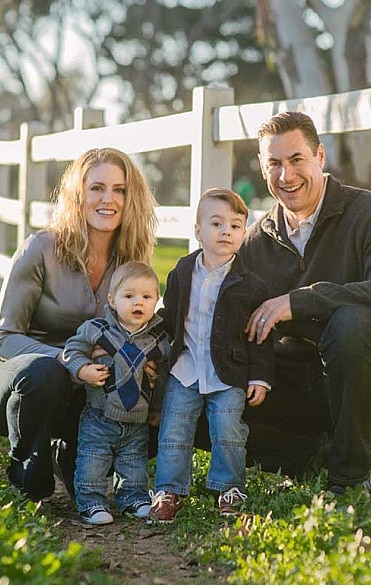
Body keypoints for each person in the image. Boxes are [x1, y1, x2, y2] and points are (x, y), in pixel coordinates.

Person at [239, 111, 371, 497]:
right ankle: (307, 455)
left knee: (351, 323)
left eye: (296, 160)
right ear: (262, 168)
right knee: (207, 396)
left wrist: (302, 301)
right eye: (274, 164)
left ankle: (350, 478)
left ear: (320, 157)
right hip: (291, 390)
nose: (286, 176)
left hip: (366, 377)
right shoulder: (254, 241)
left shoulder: (370, 213)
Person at [0, 147, 158, 503]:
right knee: (46, 373)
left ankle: (74, 453)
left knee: (158, 390)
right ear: (78, 194)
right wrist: (72, 361)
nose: (109, 199)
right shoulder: (40, 248)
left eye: (119, 190)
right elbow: (4, 340)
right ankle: (29, 460)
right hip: (15, 382)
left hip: (86, 397)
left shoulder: (132, 260)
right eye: (97, 188)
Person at [149, 187, 275, 523]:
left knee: (228, 430)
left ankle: (229, 488)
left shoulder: (251, 285)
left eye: (235, 226)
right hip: (185, 368)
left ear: (243, 233)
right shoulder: (182, 271)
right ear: (198, 231)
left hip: (228, 373)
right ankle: (169, 488)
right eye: (216, 223)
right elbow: (170, 316)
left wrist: (260, 376)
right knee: (174, 429)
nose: (226, 232)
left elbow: (261, 336)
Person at [60, 261, 171, 525]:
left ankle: (133, 498)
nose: (138, 303)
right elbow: (71, 351)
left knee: (134, 461)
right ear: (112, 299)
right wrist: (83, 369)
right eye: (129, 296)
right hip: (100, 416)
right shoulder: (98, 330)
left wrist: (157, 409)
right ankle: (91, 501)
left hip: (138, 418)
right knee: (93, 460)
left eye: (147, 296)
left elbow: (164, 378)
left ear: (157, 300)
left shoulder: (158, 341)